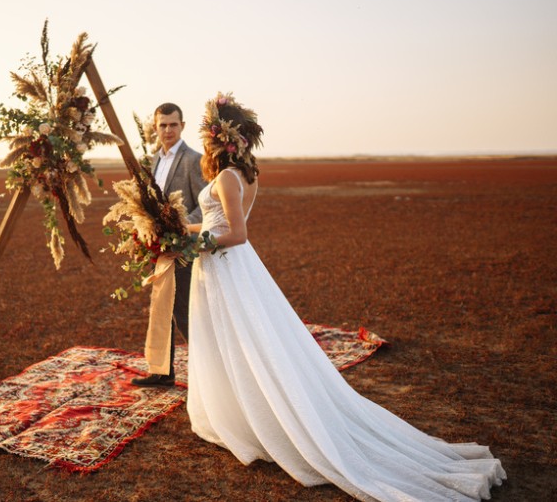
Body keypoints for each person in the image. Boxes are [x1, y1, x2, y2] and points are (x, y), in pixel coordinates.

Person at [183, 93, 506, 501]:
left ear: (219, 137)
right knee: (234, 342)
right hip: (231, 267)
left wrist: (195, 245)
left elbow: (236, 233)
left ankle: (260, 421)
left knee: (242, 343)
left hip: (226, 264)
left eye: (207, 130)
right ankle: (244, 414)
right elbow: (219, 223)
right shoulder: (245, 175)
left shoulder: (228, 177)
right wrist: (183, 230)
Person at [131, 102, 207, 387]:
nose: (167, 130)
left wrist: (181, 230)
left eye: (173, 124)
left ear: (182, 126)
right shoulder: (151, 162)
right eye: (162, 125)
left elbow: (204, 205)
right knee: (161, 307)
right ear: (155, 128)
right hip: (159, 247)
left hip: (183, 247)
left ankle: (208, 373)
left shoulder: (193, 160)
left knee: (184, 310)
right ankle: (163, 372)